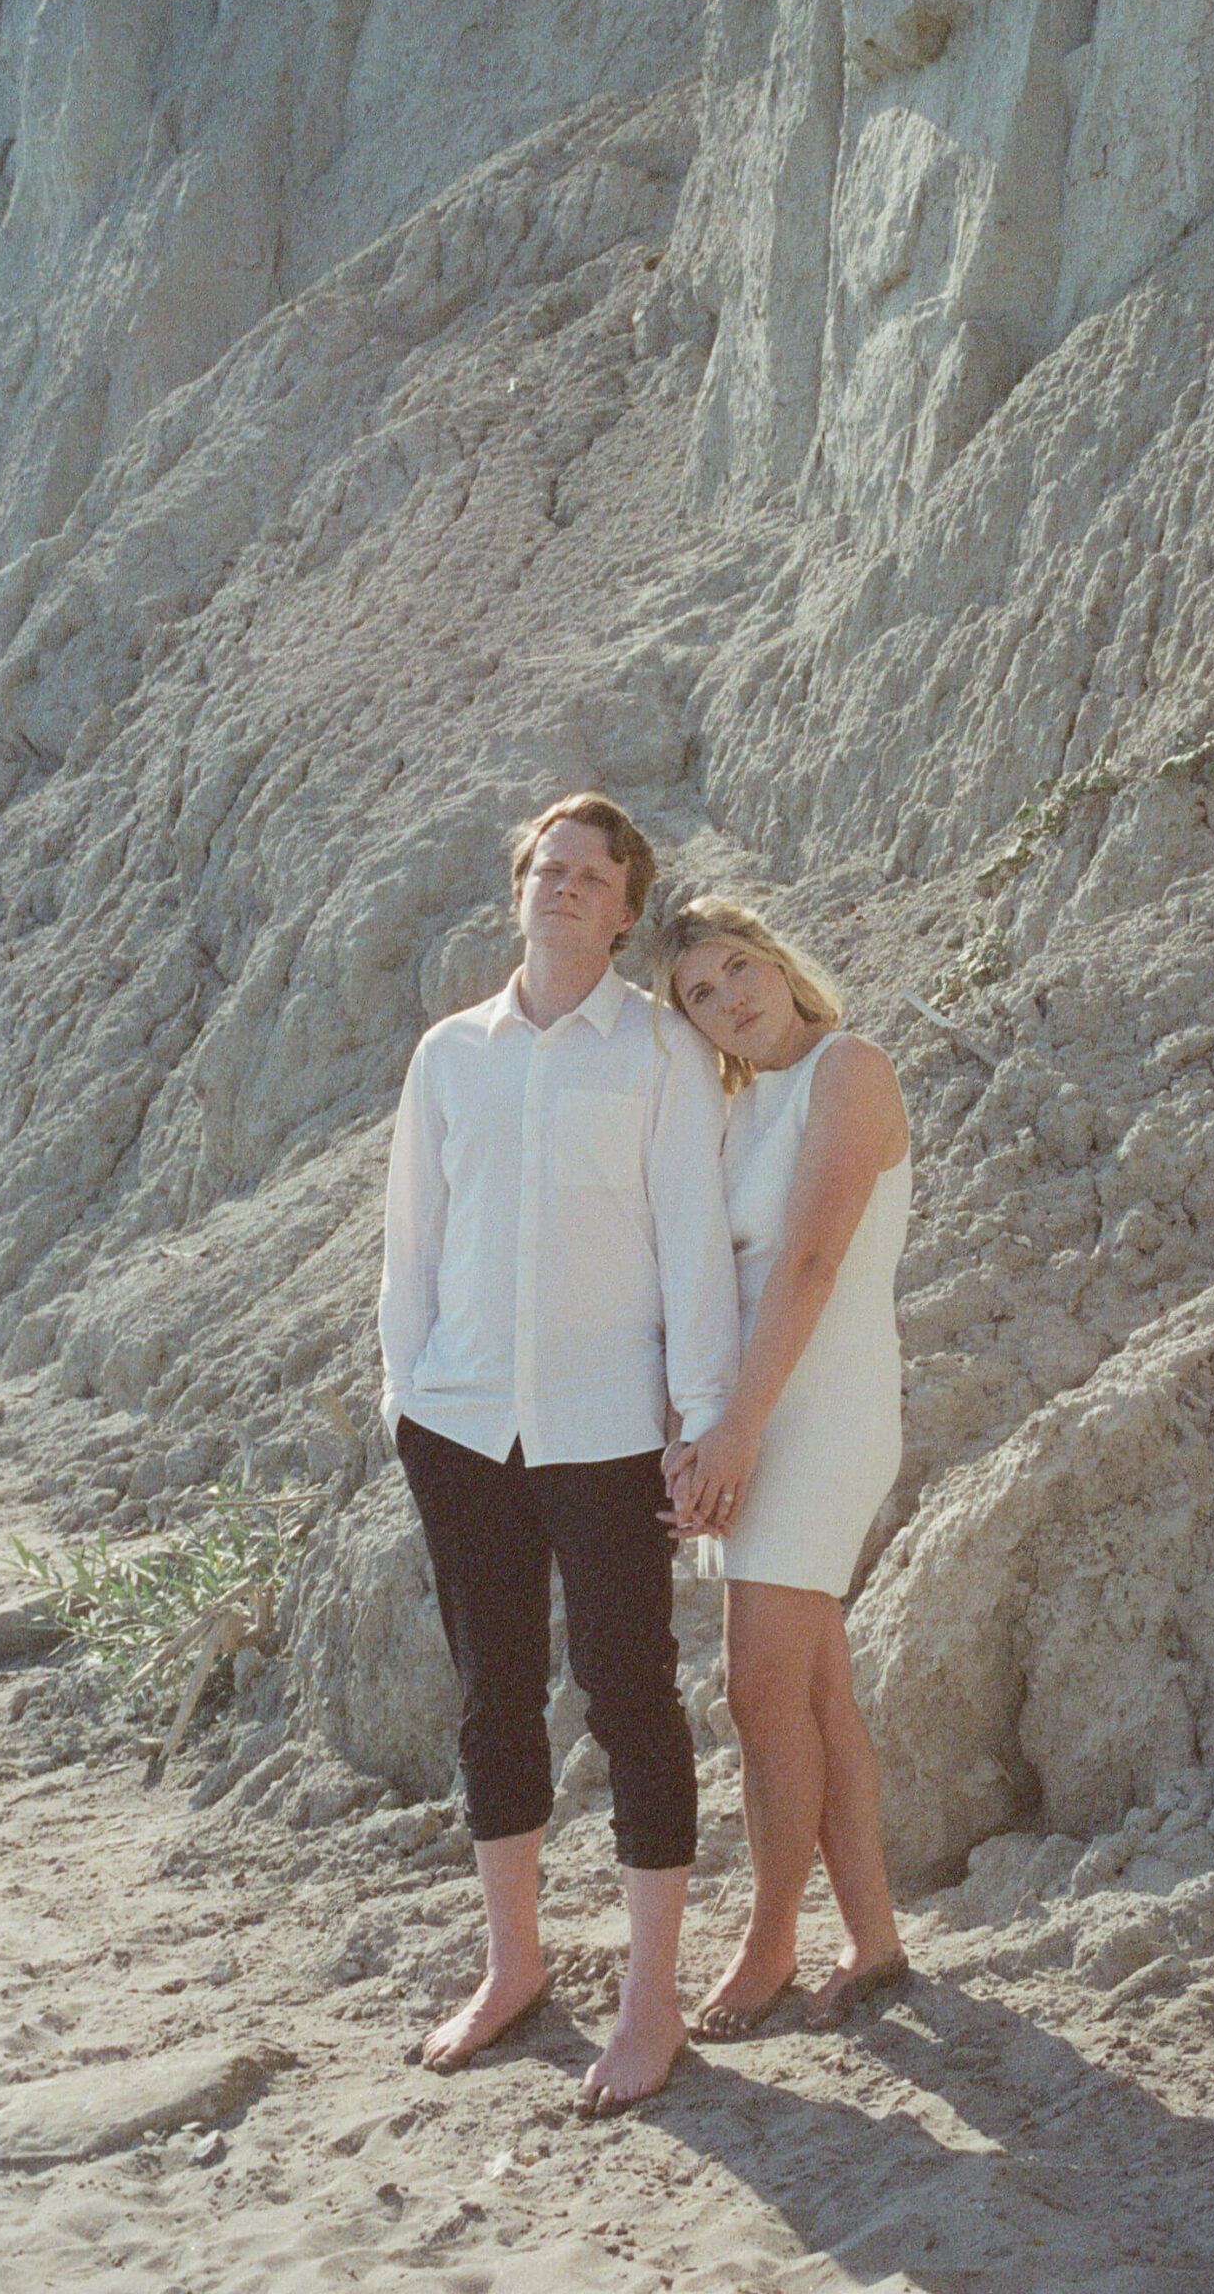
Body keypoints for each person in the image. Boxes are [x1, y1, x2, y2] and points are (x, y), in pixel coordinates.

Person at [379, 796, 738, 2113]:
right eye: (547, 866)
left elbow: (695, 1240)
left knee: (630, 1690)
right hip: (462, 1427)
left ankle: (650, 2003)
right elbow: (410, 1242)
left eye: (593, 875)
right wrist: (406, 1397)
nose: (565, 886)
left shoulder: (658, 1052)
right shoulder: (449, 1056)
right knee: (492, 1696)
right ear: (517, 887)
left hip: (605, 1430)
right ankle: (514, 1964)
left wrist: (698, 1419)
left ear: (628, 909)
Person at [653, 897, 911, 2036]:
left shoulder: (844, 1068)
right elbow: (708, 1284)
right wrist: (693, 1422)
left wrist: (736, 1434)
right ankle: (876, 1939)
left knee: (758, 1686)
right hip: (751, 1413)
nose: (728, 1000)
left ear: (780, 961)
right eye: (698, 994)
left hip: (824, 1409)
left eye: (738, 969)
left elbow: (807, 1263)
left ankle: (769, 1941)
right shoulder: (734, 1106)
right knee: (808, 1688)